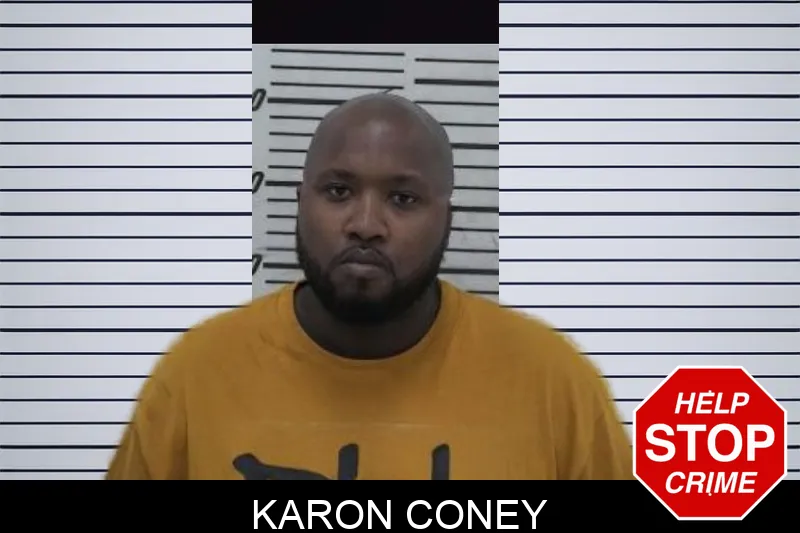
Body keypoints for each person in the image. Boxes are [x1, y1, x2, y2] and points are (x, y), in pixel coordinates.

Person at [105, 93, 633, 480]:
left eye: (403, 199)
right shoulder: (195, 375)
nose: (365, 224)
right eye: (338, 191)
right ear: (300, 202)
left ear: (447, 220)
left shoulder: (552, 382)